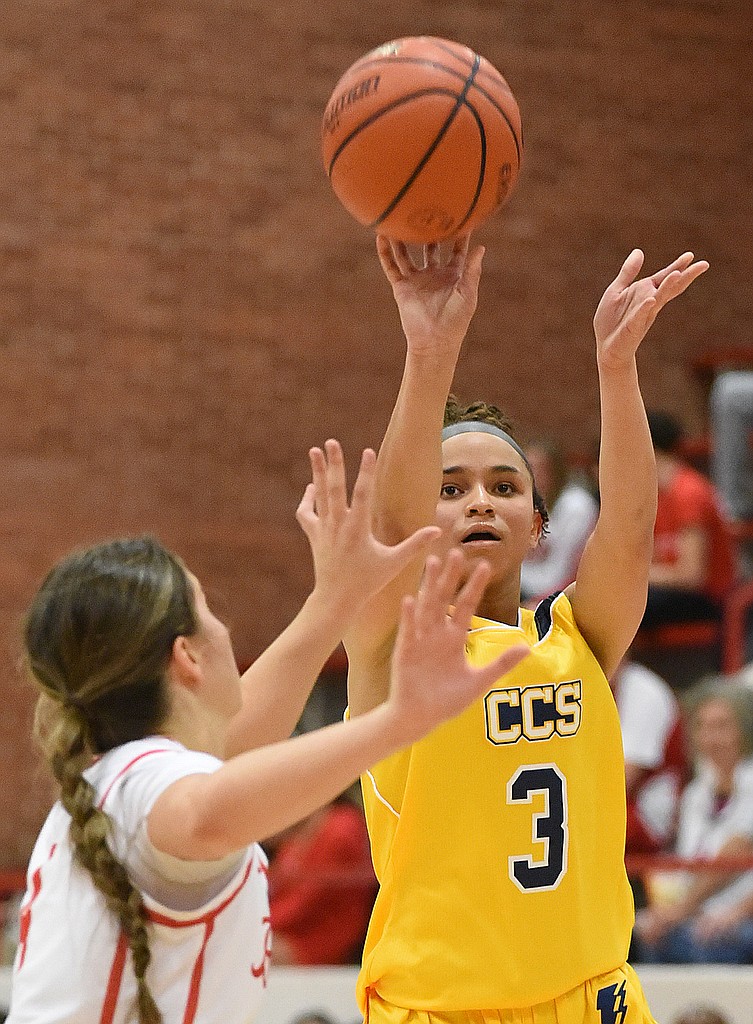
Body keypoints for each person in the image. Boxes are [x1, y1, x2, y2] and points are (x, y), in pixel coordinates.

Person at [7, 441, 530, 1024]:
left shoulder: (115, 781)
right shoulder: (145, 781)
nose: (224, 628)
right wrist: (398, 722)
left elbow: (236, 752)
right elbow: (207, 813)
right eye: (209, 609)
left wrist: (334, 600)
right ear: (187, 657)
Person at [343, 236, 708, 1024]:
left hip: (592, 998)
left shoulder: (580, 635)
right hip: (445, 1009)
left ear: (538, 526)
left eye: (503, 486)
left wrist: (616, 367)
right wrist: (429, 350)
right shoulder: (391, 639)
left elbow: (633, 525)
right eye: (452, 487)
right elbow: (392, 522)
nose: (478, 500)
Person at [633, 678, 753, 964]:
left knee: (704, 942)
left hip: (740, 915)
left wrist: (682, 911)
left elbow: (735, 854)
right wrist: (668, 911)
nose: (711, 738)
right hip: (696, 914)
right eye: (703, 727)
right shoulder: (695, 794)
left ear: (745, 730)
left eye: (722, 726)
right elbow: (689, 863)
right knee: (640, 933)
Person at [641, 409, 737, 629]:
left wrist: (636, 576)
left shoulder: (688, 492)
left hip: (709, 599)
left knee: (622, 607)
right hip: (669, 591)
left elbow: (691, 575)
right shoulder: (651, 494)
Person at [266, 791, 376, 966]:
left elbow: (305, 901)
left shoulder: (342, 826)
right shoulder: (296, 838)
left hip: (324, 940)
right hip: (291, 932)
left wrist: (257, 923)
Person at [519, 436, 599, 603]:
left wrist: (539, 602)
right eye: (526, 469)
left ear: (555, 472)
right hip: (519, 589)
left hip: (555, 595)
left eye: (537, 468)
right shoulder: (520, 503)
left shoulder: (576, 505)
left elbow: (572, 571)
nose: (531, 476)